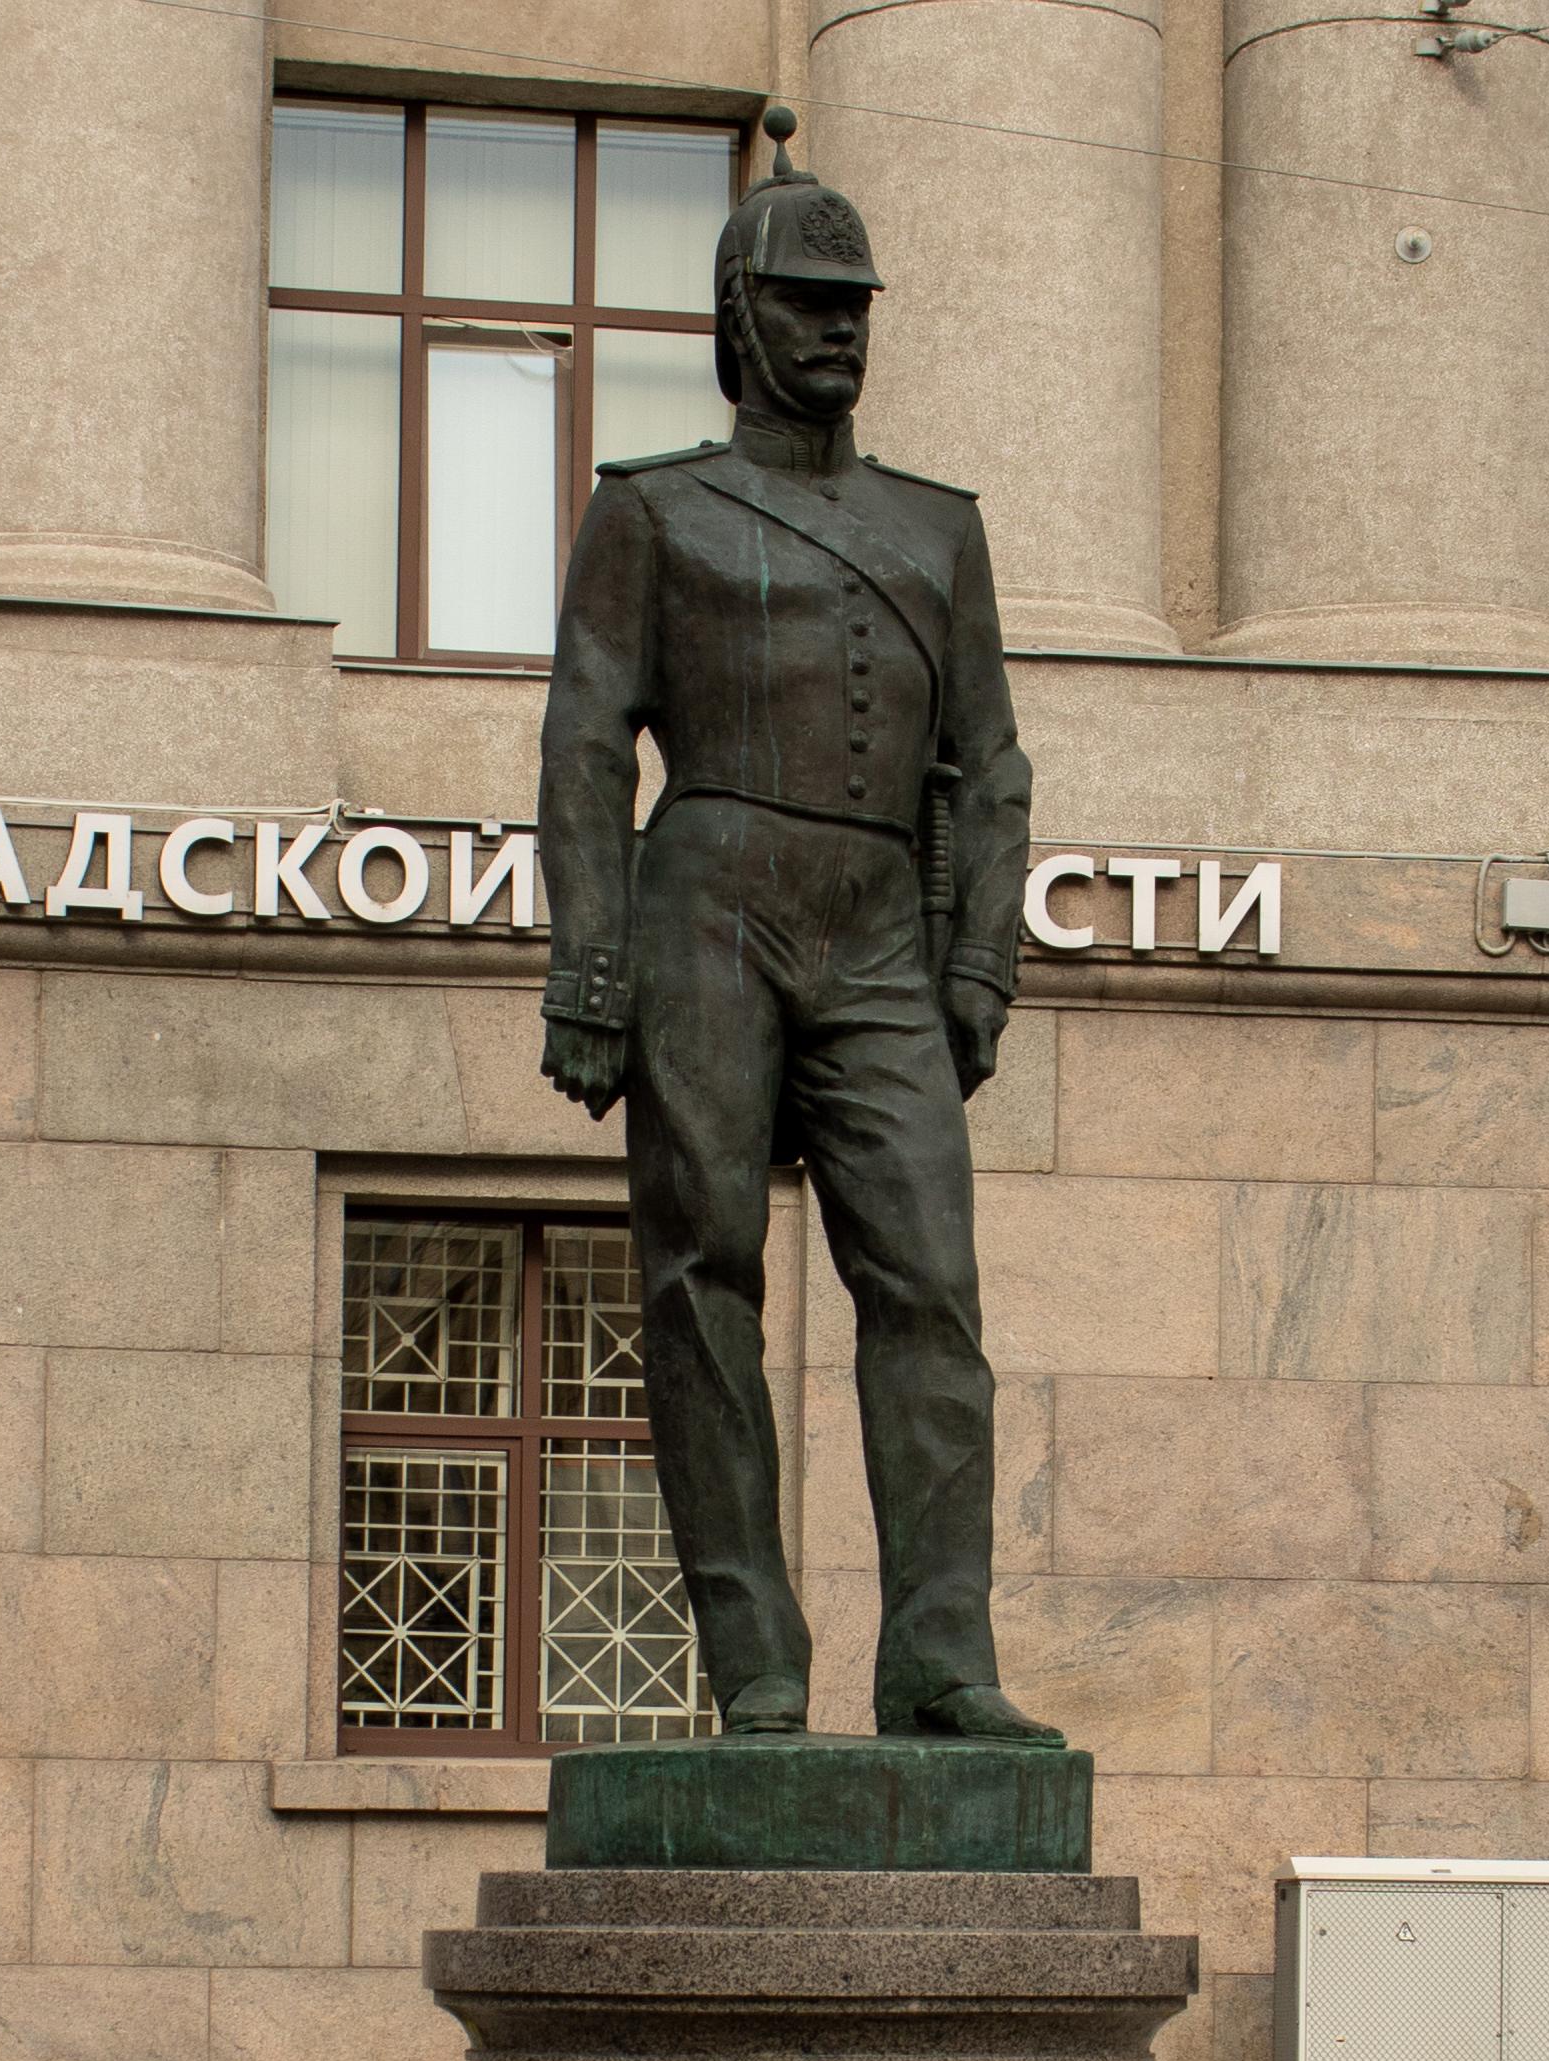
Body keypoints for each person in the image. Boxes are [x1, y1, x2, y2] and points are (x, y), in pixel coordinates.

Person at [532, 109, 1056, 1747]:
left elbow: (987, 762)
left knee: (931, 1291)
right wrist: (592, 964)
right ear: (737, 319)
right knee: (703, 1276)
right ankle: (753, 1655)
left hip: (883, 926)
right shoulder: (654, 512)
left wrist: (980, 961)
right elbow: (583, 740)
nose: (841, 327)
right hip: (709, 902)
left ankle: (940, 1663)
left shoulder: (938, 527)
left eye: (859, 304)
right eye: (811, 300)